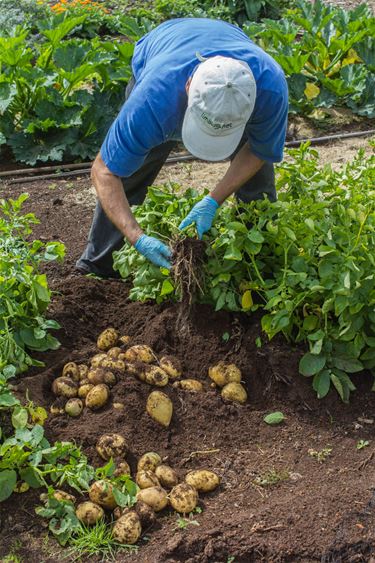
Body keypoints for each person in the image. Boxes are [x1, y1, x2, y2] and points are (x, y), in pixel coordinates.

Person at [76, 17, 288, 276]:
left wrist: (213, 201)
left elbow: (259, 150)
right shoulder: (153, 100)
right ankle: (99, 267)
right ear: (188, 88)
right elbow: (105, 171)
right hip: (165, 45)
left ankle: (258, 267)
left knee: (258, 181)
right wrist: (137, 237)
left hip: (223, 43)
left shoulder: (271, 89)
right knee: (130, 170)